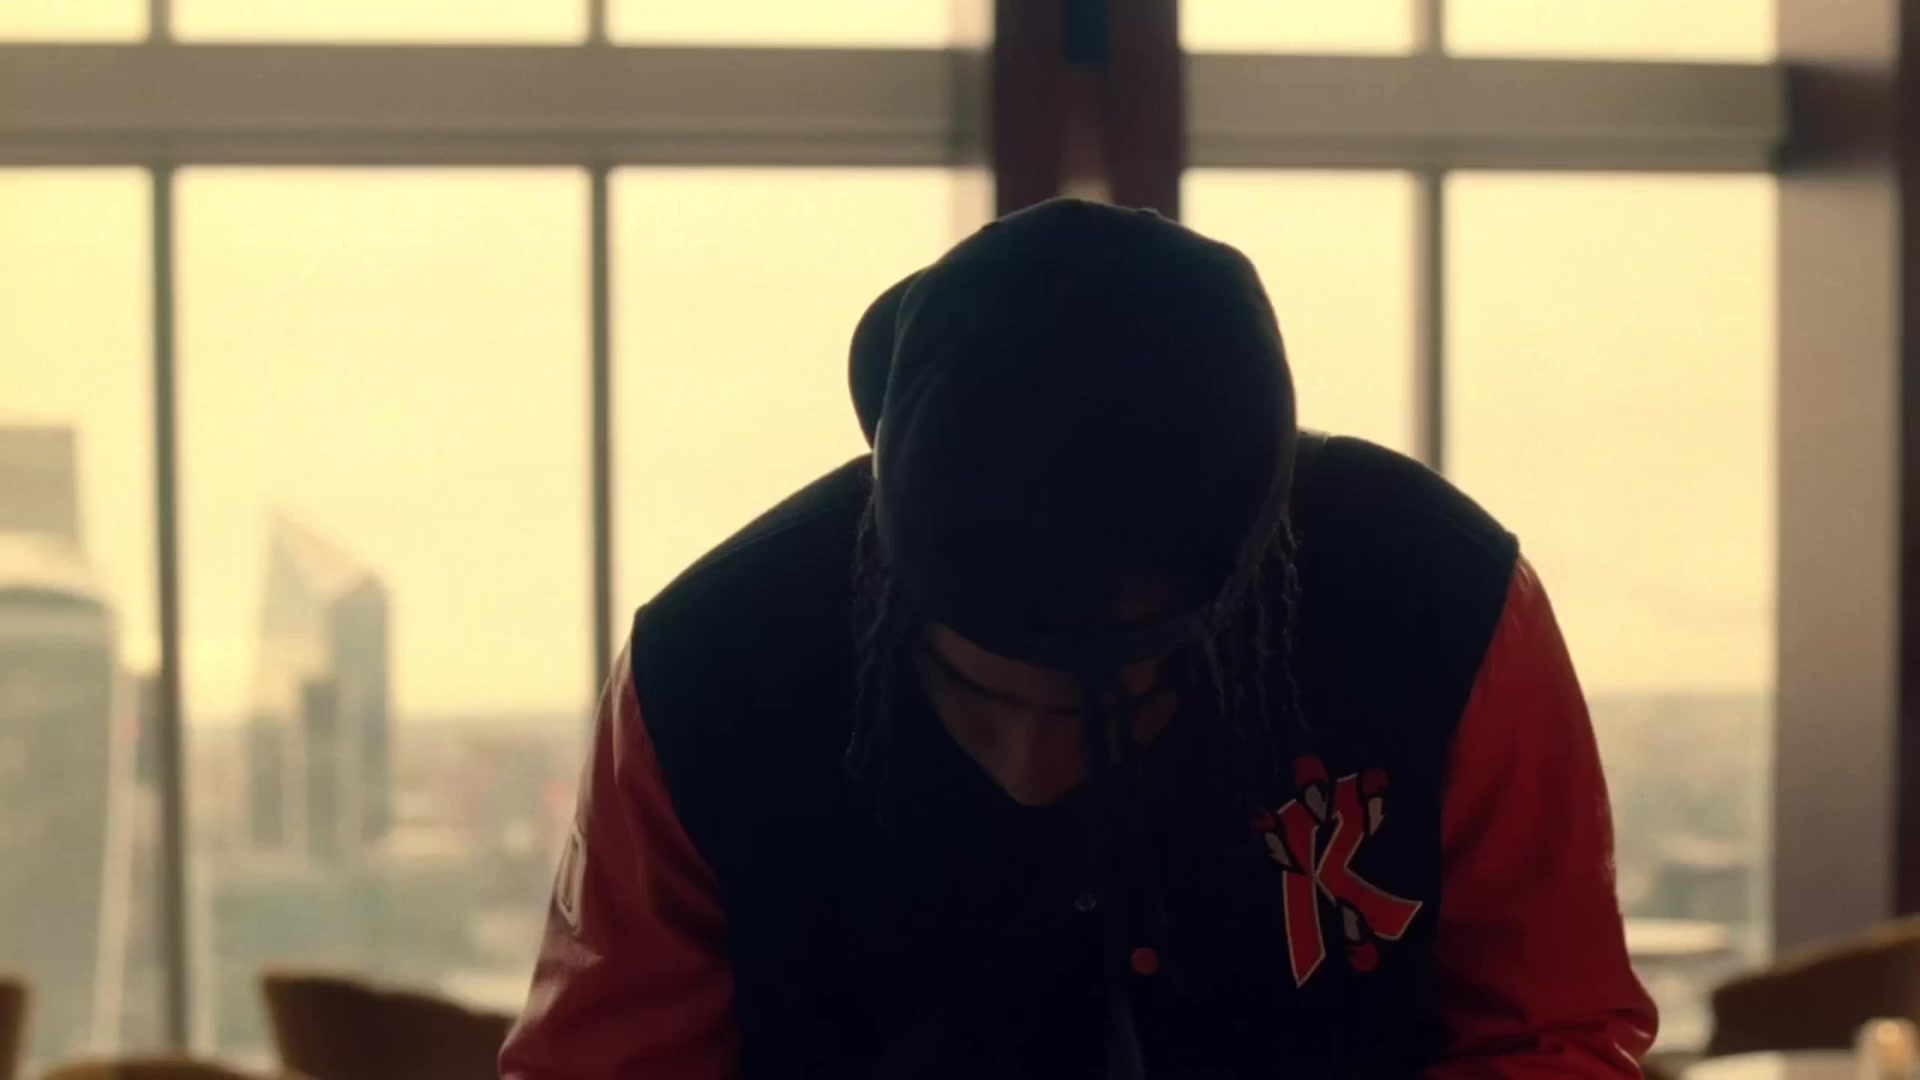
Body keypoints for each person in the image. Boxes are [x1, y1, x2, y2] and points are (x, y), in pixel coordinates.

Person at [500, 199, 1657, 1078]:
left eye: (1109, 703)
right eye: (983, 694)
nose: (1032, 765)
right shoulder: (711, 674)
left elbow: (1549, 1033)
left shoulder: (1438, 603)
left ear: (1235, 611)